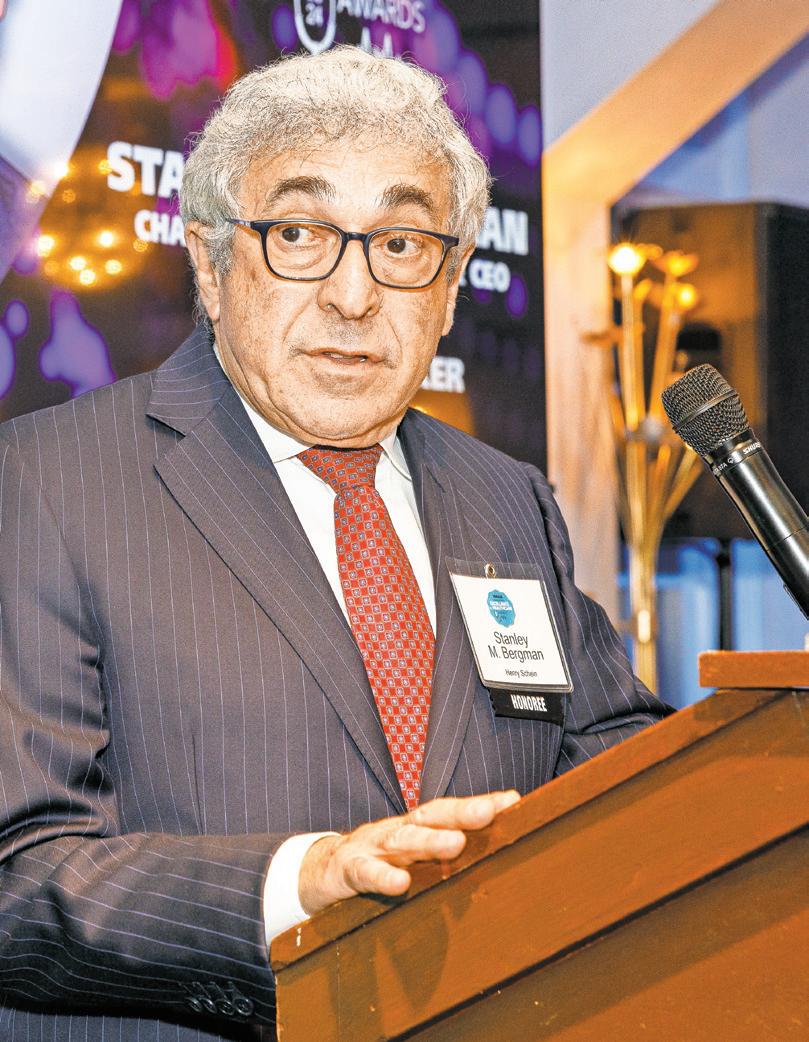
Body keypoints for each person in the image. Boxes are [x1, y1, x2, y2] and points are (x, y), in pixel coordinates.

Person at [0, 46, 669, 1042]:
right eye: (300, 234)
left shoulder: (505, 497)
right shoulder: (44, 481)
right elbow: (17, 873)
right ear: (209, 263)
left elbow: (615, 769)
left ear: (450, 283)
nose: (354, 296)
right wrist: (297, 884)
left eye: (400, 244)